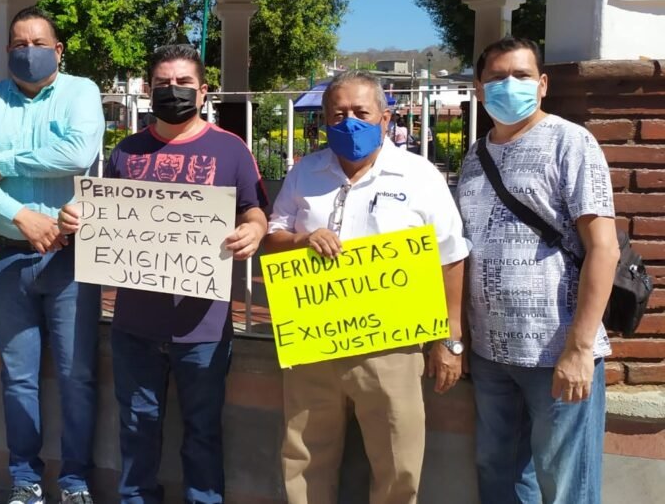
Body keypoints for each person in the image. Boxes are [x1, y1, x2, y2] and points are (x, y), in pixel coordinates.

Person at [59, 44, 269, 504]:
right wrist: (77, 215)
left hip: (205, 328)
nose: (172, 92)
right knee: (136, 427)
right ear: (148, 90)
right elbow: (102, 212)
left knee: (202, 431)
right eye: (162, 85)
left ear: (203, 90)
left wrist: (252, 232)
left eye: (183, 84)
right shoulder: (127, 151)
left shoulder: (231, 148)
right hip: (135, 325)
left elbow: (254, 210)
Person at [264, 70, 469, 504]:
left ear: (385, 117)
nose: (349, 123)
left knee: (398, 462)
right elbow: (272, 237)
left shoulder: (419, 175)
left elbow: (451, 256)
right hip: (314, 342)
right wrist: (302, 239)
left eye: (361, 112)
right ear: (323, 119)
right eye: (338, 114)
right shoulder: (305, 173)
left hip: (391, 347)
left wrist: (449, 341)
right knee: (303, 457)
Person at [0, 7, 105, 504]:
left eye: (38, 42)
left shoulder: (82, 91)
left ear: (58, 50)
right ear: (5, 51)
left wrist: (2, 160)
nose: (28, 52)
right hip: (5, 254)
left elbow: (79, 153)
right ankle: (25, 477)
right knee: (18, 377)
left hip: (70, 258)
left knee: (76, 374)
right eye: (18, 44)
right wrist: (22, 216)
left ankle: (76, 480)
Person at [457, 37, 619, 504]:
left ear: (543, 84)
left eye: (522, 75)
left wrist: (580, 348)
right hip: (490, 354)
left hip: (557, 351)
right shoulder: (475, 155)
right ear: (480, 90)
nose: (510, 85)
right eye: (497, 77)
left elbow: (602, 249)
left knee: (565, 481)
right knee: (498, 472)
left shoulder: (571, 142)